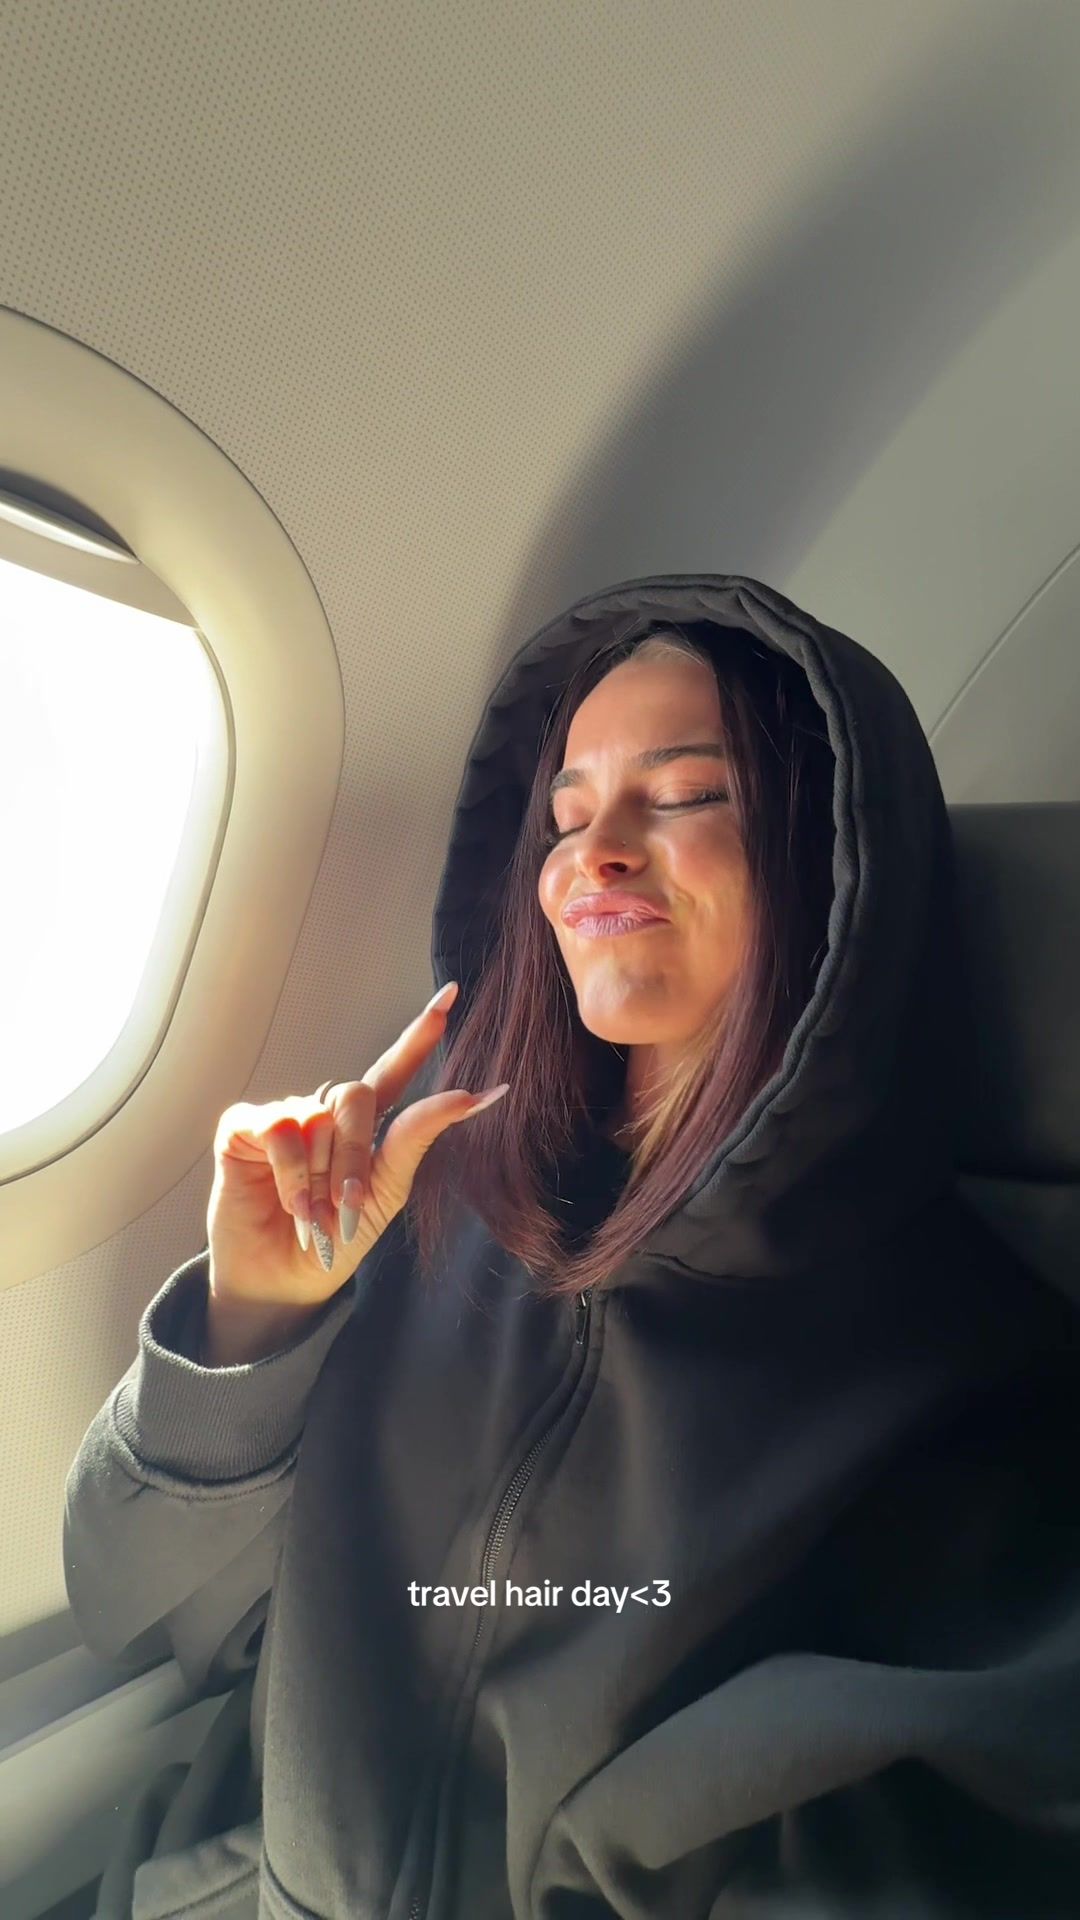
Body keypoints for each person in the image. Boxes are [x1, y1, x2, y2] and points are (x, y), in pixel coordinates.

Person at [65, 573, 1080, 1919]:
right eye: (565, 815)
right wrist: (252, 1321)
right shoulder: (424, 1205)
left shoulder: (970, 1362)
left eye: (686, 795)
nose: (593, 854)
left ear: (833, 857)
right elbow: (136, 1611)